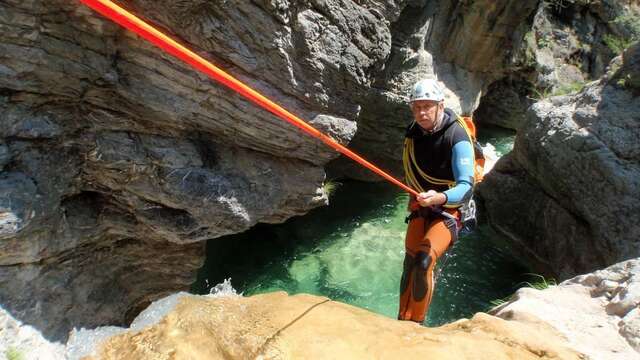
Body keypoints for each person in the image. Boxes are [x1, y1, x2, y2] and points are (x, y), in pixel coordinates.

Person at [398, 78, 476, 323]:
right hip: (422, 206)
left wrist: (440, 197)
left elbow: (466, 187)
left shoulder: (457, 136)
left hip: (449, 209)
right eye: (417, 107)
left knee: (423, 262)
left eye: (427, 106)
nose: (421, 112)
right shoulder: (413, 133)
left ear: (440, 106)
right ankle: (401, 319)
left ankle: (416, 324)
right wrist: (422, 198)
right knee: (409, 264)